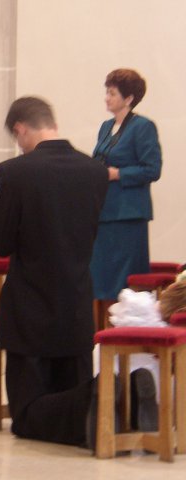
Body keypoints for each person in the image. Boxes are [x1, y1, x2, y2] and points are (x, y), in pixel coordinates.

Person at [0, 96, 112, 446]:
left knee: (25, 416)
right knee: (69, 393)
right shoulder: (95, 171)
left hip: (31, 315)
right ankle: (112, 401)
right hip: (76, 311)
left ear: (20, 129)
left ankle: (98, 400)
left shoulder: (16, 172)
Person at [90, 69, 162, 328]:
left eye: (112, 93)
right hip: (104, 212)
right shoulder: (105, 127)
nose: (107, 98)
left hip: (128, 215)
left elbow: (152, 169)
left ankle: (122, 333)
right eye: (107, 92)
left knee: (122, 279)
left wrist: (118, 174)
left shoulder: (143, 127)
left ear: (129, 98)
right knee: (100, 278)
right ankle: (100, 335)